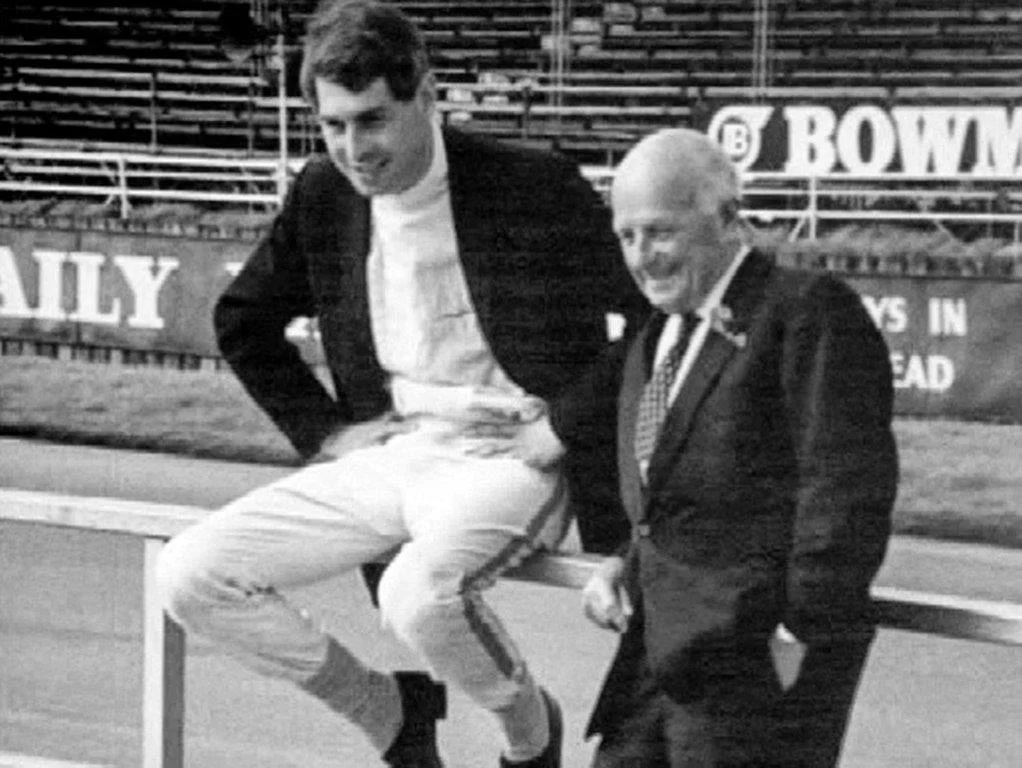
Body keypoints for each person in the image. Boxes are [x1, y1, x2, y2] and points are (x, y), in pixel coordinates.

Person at [154, 2, 643, 767]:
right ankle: (385, 712)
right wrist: (327, 433)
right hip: (395, 452)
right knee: (189, 575)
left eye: (373, 120)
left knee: (415, 598)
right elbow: (243, 320)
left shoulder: (533, 184)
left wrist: (563, 424)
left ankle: (529, 735)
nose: (355, 149)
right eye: (334, 125)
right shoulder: (323, 191)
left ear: (427, 95)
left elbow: (652, 318)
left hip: (514, 456)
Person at [482, 128, 899, 767]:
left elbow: (845, 497)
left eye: (660, 232)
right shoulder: (657, 338)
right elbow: (676, 494)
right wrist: (626, 562)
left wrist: (794, 640)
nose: (642, 257)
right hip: (656, 667)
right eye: (627, 236)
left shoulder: (807, 311)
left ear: (727, 217)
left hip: (756, 680)